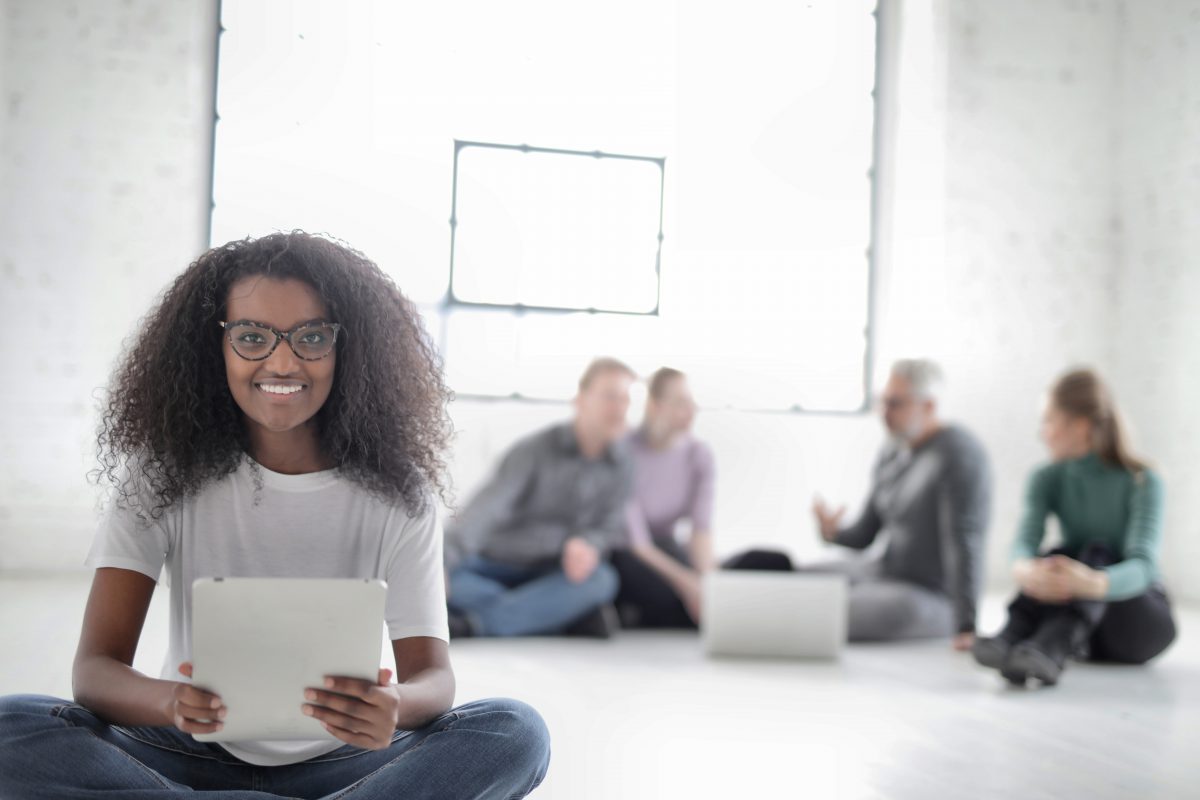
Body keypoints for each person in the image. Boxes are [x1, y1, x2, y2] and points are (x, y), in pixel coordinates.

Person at [0, 233, 549, 799]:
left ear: (347, 348)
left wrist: (394, 706)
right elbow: (95, 671)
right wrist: (169, 702)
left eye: (312, 336)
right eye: (252, 337)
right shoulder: (163, 476)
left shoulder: (399, 493)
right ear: (213, 348)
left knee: (515, 731)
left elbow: (434, 680)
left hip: (346, 759)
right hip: (184, 750)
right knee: (11, 727)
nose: (282, 361)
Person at [726, 359, 992, 648]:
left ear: (928, 406)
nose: (884, 413)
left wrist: (967, 625)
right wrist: (833, 531)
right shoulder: (893, 448)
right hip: (882, 571)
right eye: (882, 402)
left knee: (829, 611)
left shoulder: (960, 456)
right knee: (797, 583)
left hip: (930, 595)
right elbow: (865, 535)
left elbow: (965, 542)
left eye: (895, 404)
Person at [972, 368, 1176, 686]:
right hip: (1086, 629)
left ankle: (1045, 647)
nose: (1043, 433)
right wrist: (1028, 570)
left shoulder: (1143, 480)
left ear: (1080, 427)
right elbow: (1024, 543)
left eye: (1049, 421)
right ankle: (1017, 640)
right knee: (1056, 557)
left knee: (1097, 552)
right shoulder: (1046, 478)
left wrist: (1092, 582)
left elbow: (1144, 567)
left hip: (1137, 622)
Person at [445, 358, 635, 638]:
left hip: (551, 572)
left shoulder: (623, 465)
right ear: (580, 400)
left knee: (602, 580)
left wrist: (589, 544)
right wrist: (441, 565)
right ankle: (554, 617)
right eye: (609, 397)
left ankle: (475, 624)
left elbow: (607, 527)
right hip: (494, 565)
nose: (618, 409)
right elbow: (484, 512)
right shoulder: (533, 451)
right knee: (453, 581)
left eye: (625, 400)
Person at [611, 368, 716, 628]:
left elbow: (700, 531)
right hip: (628, 552)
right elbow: (638, 543)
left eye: (691, 403)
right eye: (681, 403)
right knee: (664, 588)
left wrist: (708, 585)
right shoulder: (623, 452)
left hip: (667, 546)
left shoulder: (699, 455)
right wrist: (688, 585)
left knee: (766, 561)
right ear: (654, 406)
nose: (691, 411)